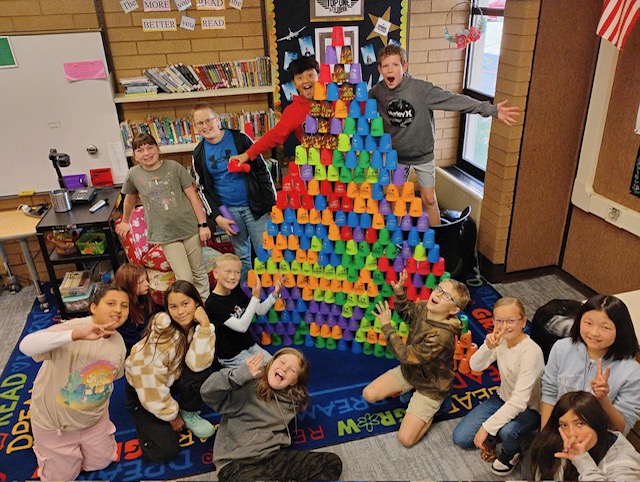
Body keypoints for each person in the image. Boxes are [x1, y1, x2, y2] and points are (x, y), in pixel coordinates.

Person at [369, 44, 520, 226]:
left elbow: (455, 100)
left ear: (405, 66)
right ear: (379, 69)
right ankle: (396, 243)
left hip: (423, 155)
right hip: (397, 157)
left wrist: (491, 110)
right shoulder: (378, 91)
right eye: (385, 66)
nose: (390, 70)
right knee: (397, 200)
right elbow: (358, 104)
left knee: (429, 200)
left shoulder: (421, 90)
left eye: (395, 65)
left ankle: (438, 244)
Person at [19, 285, 130, 482]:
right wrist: (76, 335)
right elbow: (27, 345)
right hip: (56, 425)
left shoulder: (119, 343)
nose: (118, 310)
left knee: (102, 462)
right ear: (94, 307)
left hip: (93, 421)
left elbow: (111, 380)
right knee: (62, 478)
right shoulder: (73, 329)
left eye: (124, 306)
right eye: (111, 303)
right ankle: (42, 441)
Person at [200, 348, 343, 481]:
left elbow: (303, 401)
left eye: (292, 370)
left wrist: (302, 397)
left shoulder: (293, 398)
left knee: (332, 463)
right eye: (282, 362)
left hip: (273, 457)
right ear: (271, 363)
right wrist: (237, 376)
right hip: (237, 462)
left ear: (295, 381)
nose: (284, 368)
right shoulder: (247, 387)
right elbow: (207, 392)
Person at [362, 272, 470, 447]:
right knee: (369, 394)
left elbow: (406, 355)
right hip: (411, 372)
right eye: (438, 289)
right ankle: (411, 395)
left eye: (446, 295)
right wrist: (399, 292)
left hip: (431, 386)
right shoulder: (424, 307)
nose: (438, 294)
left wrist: (387, 327)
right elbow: (406, 313)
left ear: (454, 310)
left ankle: (435, 408)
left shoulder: (442, 336)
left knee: (405, 440)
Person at [125, 280, 217, 462]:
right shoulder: (165, 337)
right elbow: (148, 382)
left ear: (196, 303)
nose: (180, 312)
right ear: (167, 309)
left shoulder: (197, 326)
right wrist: (171, 417)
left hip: (168, 379)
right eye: (173, 306)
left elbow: (199, 364)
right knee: (166, 452)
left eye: (185, 304)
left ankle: (188, 411)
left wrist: (205, 325)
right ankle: (145, 420)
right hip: (142, 389)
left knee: (203, 374)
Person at [452, 297, 545, 476]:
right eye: (499, 321)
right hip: (502, 398)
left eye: (511, 321)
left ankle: (512, 452)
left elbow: (519, 401)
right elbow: (475, 366)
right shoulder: (500, 340)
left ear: (523, 322)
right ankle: (498, 428)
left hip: (529, 407)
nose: (505, 326)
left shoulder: (530, 352)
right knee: (462, 438)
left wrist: (487, 427)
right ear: (493, 321)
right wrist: (488, 346)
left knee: (507, 431)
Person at [115, 132, 211, 302]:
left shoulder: (174, 167)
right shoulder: (133, 174)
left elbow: (193, 197)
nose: (146, 153)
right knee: (185, 278)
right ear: (135, 156)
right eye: (140, 150)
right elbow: (129, 200)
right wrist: (125, 222)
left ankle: (206, 309)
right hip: (166, 234)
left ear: (158, 149)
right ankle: (189, 309)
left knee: (199, 272)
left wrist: (203, 224)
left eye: (150, 147)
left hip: (189, 227)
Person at [191, 103, 276, 283]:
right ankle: (247, 296)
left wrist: (271, 205)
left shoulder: (240, 139)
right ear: (195, 127)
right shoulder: (198, 153)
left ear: (218, 120)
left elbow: (262, 171)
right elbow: (204, 190)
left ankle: (271, 293)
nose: (205, 126)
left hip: (256, 208)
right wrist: (217, 216)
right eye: (200, 123)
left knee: (266, 252)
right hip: (229, 213)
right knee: (242, 257)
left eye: (208, 120)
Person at [540, 294, 640, 435]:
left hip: (596, 440)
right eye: (588, 323)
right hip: (560, 430)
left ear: (621, 330)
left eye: (605, 327)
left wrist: (603, 400)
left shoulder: (632, 372)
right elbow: (550, 393)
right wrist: (545, 435)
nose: (594, 333)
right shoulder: (562, 348)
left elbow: (622, 428)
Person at [528, 391, 640, 480]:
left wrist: (583, 462)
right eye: (564, 425)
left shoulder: (622, 458)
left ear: (596, 422)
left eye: (580, 424)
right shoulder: (554, 442)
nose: (572, 434)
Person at [229, 56, 320, 167]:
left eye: (310, 75)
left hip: (342, 163)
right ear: (294, 83)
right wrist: (247, 155)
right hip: (314, 169)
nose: (306, 81)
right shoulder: (293, 111)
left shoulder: (335, 98)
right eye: (300, 78)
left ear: (319, 76)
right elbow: (274, 136)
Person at [204, 253, 282, 367]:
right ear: (215, 273)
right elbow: (241, 327)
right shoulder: (213, 303)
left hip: (248, 346)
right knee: (262, 374)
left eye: (237, 272)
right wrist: (255, 297)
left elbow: (259, 310)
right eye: (228, 271)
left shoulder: (236, 291)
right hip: (231, 355)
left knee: (274, 366)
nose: (232, 277)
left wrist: (275, 294)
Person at [114, 263, 160, 354]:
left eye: (146, 280)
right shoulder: (123, 311)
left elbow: (156, 313)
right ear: (129, 285)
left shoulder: (144, 298)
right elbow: (132, 340)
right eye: (141, 282)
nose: (147, 284)